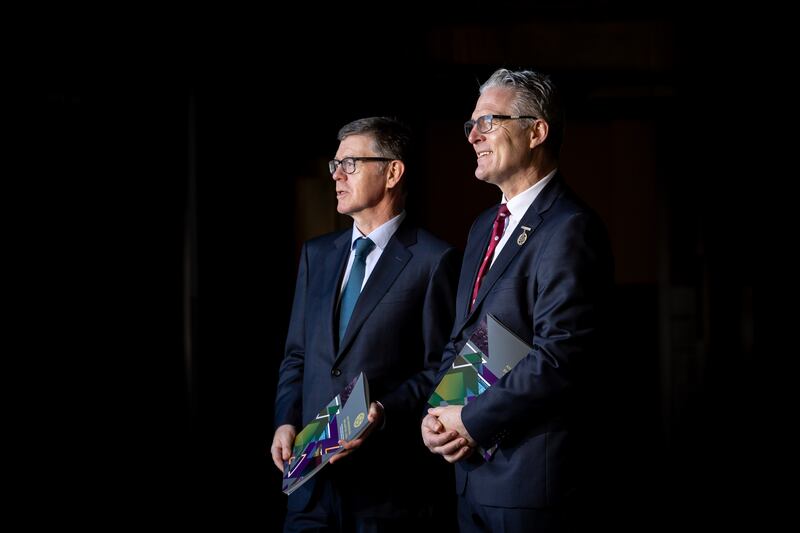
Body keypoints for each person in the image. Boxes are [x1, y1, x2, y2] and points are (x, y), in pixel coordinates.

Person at [421, 68, 614, 532]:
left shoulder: (571, 227)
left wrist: (471, 418)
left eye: (487, 122)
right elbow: (462, 338)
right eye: (470, 126)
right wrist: (438, 415)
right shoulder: (482, 225)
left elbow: (561, 356)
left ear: (536, 131)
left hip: (532, 484)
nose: (473, 137)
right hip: (472, 477)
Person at [271, 116, 461, 532]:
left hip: (388, 493)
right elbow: (297, 355)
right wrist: (286, 419)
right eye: (335, 165)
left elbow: (441, 371)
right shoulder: (316, 255)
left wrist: (382, 411)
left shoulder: (435, 260)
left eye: (351, 163)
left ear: (393, 171)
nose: (337, 174)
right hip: (310, 484)